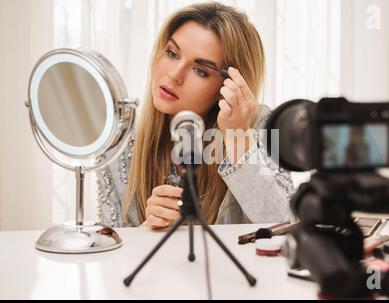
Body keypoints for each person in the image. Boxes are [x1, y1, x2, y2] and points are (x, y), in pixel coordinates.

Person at [96, 2, 294, 230]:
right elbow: (111, 256)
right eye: (171, 53)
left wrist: (238, 136)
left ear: (228, 86)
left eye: (200, 71)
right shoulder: (119, 141)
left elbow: (285, 228)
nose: (174, 75)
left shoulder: (263, 126)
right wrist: (148, 231)